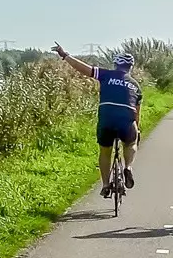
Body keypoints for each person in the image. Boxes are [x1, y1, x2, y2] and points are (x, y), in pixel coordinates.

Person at [54, 46, 141, 197]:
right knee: (131, 143)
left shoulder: (106, 74)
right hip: (126, 122)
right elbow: (136, 113)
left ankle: (106, 185)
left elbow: (84, 68)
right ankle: (128, 167)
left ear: (115, 65)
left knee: (105, 151)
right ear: (130, 67)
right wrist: (137, 130)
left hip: (106, 119)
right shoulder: (136, 85)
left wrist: (65, 55)